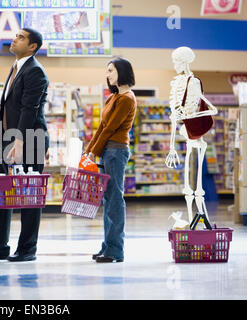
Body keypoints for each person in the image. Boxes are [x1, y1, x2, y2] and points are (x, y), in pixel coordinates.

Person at [0, 28, 49, 262]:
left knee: (29, 195)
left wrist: (18, 141)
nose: (14, 39)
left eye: (21, 37)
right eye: (16, 36)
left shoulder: (35, 71)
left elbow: (30, 110)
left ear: (32, 46)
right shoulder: (17, 67)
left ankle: (27, 249)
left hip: (30, 138)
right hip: (12, 137)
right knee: (0, 189)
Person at [85, 57, 137, 263]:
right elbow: (101, 127)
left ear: (122, 72)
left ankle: (116, 250)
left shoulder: (127, 98)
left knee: (115, 199)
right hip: (108, 151)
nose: (108, 75)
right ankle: (107, 246)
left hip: (116, 151)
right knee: (108, 199)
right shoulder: (113, 97)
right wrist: (89, 150)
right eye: (107, 71)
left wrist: (94, 151)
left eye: (111, 70)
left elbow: (111, 128)